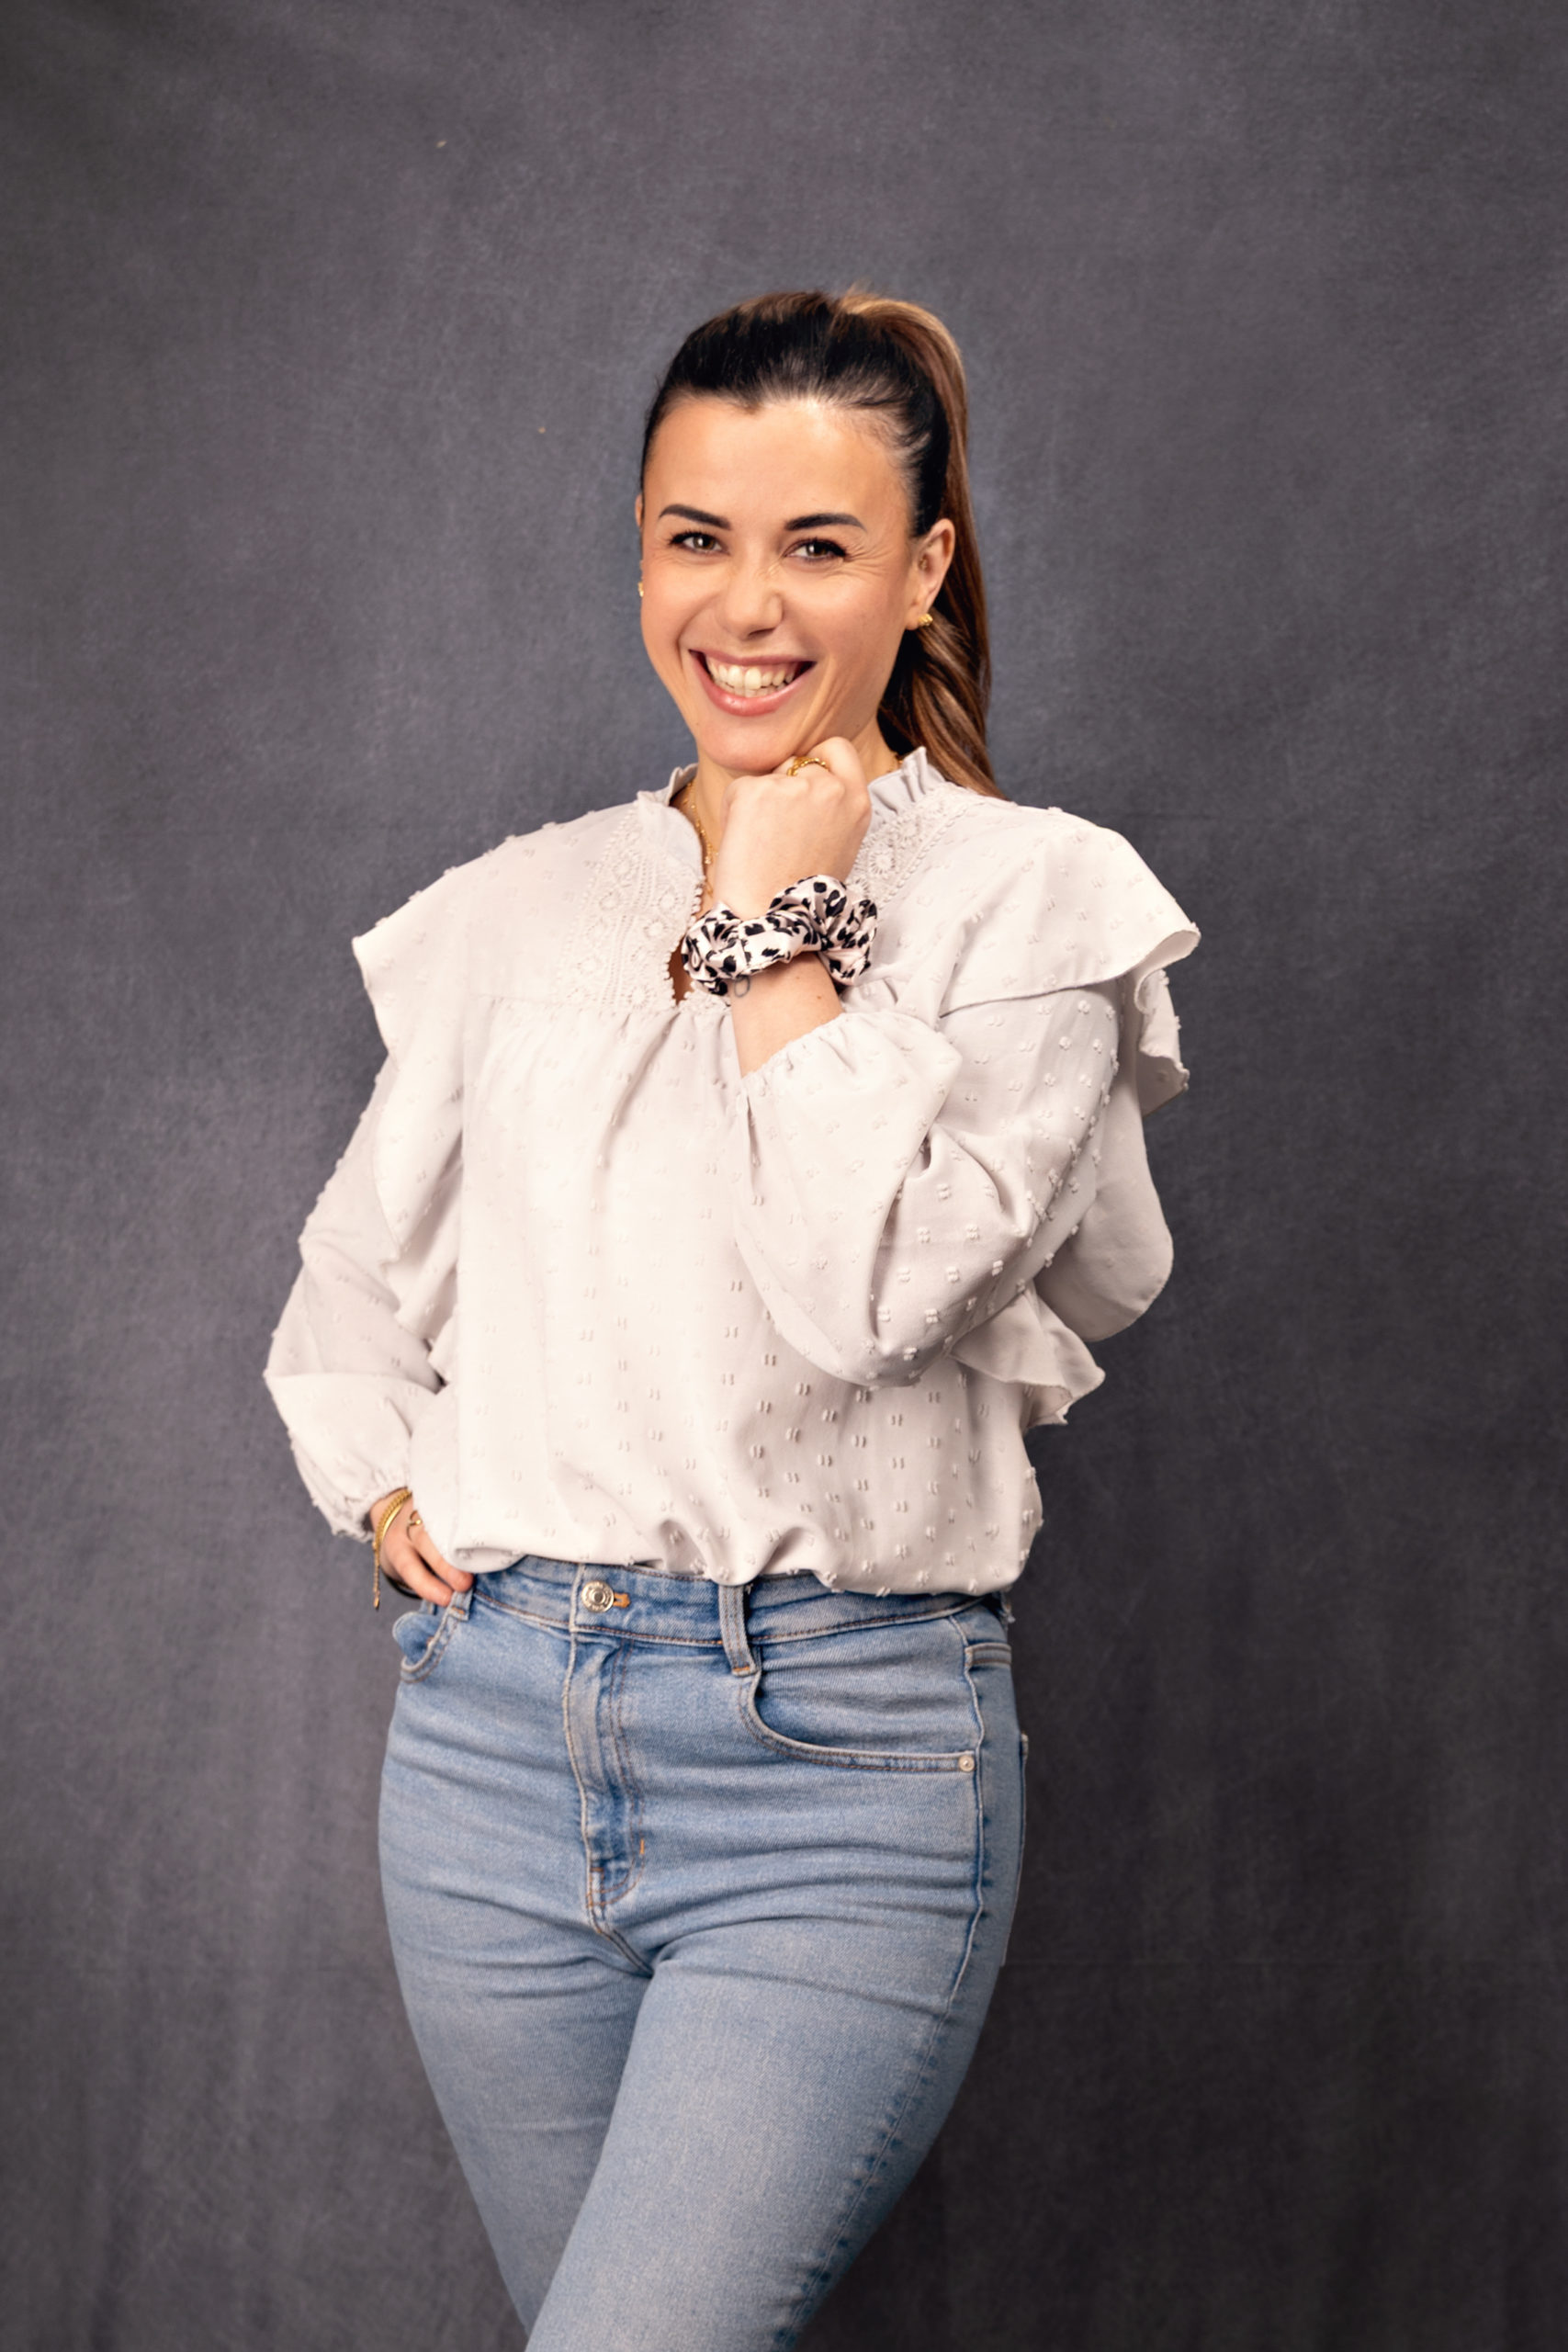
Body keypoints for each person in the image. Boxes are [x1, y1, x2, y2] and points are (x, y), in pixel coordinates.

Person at [265, 288, 1198, 2350]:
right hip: (492, 1756)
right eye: (694, 537)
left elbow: (865, 1295)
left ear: (922, 566)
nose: (744, 606)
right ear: (637, 549)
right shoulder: (512, 910)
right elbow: (345, 1282)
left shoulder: (1033, 906)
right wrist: (375, 1469)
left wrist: (781, 930)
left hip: (835, 1763)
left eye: (815, 544)